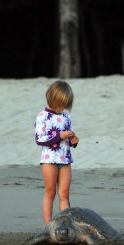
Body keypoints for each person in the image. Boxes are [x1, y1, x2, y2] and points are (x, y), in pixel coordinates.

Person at [34, 80, 79, 225]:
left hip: (65, 159)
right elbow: (40, 139)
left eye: (65, 105)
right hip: (49, 160)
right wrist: (60, 136)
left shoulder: (67, 117)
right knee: (50, 192)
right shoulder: (43, 116)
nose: (62, 108)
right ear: (52, 99)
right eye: (60, 104)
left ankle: (65, 224)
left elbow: (69, 139)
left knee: (64, 194)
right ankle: (48, 225)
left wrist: (74, 141)